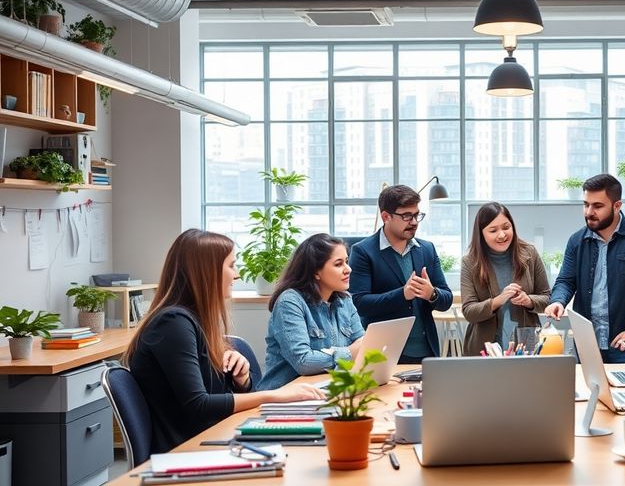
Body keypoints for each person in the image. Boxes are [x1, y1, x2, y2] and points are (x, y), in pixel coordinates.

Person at [123, 229, 324, 454]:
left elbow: (215, 395)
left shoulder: (192, 321)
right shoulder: (173, 323)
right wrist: (275, 396)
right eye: (231, 265)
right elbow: (199, 405)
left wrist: (241, 379)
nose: (237, 275)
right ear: (206, 272)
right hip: (189, 451)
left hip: (214, 437)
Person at [544, 173, 625, 363]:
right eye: (586, 204)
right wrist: (558, 301)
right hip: (587, 343)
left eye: (597, 206)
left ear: (617, 206)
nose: (588, 212)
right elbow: (566, 281)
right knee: (588, 392)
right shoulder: (577, 241)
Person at [349, 185, 454, 364]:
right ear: (385, 217)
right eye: (406, 216)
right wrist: (402, 295)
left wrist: (432, 294)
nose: (414, 222)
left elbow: (447, 299)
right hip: (383, 353)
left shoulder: (426, 249)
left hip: (426, 351)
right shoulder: (363, 252)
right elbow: (359, 304)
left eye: (416, 215)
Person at [259, 234, 366, 390]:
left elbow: (363, 345)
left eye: (347, 262)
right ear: (316, 272)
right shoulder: (290, 302)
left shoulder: (345, 300)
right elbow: (303, 362)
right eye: (338, 264)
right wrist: (348, 353)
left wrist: (349, 352)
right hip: (284, 398)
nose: (348, 269)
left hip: (326, 390)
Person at [461, 202, 552, 356]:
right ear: (481, 233)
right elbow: (469, 311)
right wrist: (499, 299)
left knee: (525, 380)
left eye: (506, 227)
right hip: (484, 347)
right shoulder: (470, 262)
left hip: (526, 343)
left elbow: (547, 298)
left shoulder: (529, 253)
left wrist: (528, 300)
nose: (502, 235)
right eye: (493, 230)